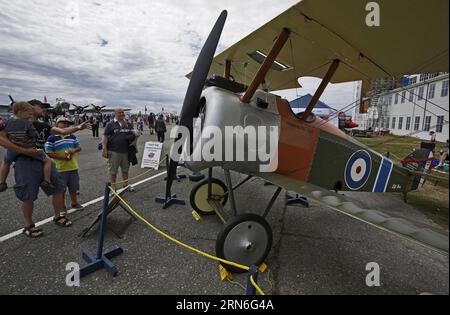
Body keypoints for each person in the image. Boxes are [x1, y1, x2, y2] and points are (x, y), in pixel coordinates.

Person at [0, 99, 91, 238]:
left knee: (58, 188)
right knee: (28, 196)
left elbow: (62, 130)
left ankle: (57, 216)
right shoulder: (14, 125)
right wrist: (25, 151)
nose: (44, 109)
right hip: (25, 163)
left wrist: (79, 127)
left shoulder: (42, 125)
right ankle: (29, 225)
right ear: (30, 107)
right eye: (41, 106)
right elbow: (2, 139)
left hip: (43, 160)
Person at [0, 102, 54, 193]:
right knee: (47, 160)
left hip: (13, 150)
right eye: (29, 113)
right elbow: (34, 135)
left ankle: (2, 182)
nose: (30, 116)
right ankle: (47, 181)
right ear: (20, 113)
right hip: (29, 148)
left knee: (5, 162)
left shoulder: (7, 123)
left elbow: (5, 135)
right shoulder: (27, 124)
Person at [45, 117, 83, 212]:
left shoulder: (72, 136)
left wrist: (73, 150)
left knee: (73, 187)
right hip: (60, 168)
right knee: (61, 189)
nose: (66, 125)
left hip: (73, 166)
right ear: (57, 125)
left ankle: (74, 203)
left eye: (67, 123)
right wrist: (63, 157)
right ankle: (61, 206)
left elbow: (79, 147)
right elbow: (48, 153)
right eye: (63, 123)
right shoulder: (52, 138)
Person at [102, 108, 139, 191]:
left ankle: (125, 185)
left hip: (126, 151)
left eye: (123, 112)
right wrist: (104, 148)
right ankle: (113, 187)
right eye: (119, 112)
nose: (122, 114)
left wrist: (135, 141)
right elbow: (105, 137)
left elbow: (136, 133)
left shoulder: (128, 124)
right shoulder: (110, 124)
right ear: (115, 113)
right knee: (113, 171)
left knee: (125, 169)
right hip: (114, 151)